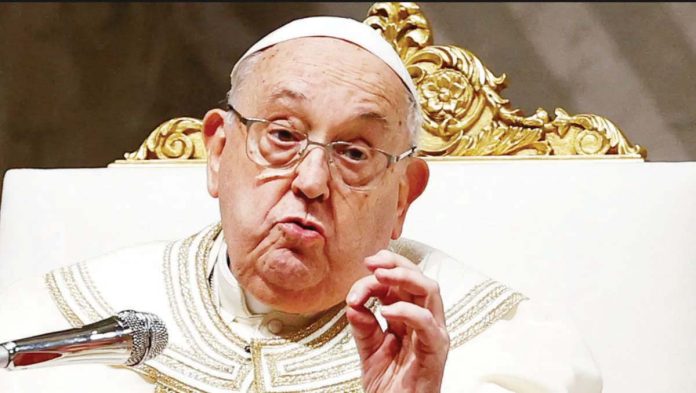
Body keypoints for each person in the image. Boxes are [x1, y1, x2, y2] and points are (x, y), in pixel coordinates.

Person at [0, 16, 601, 392]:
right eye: (283, 135)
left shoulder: (497, 347)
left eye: (357, 152)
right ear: (217, 150)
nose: (312, 180)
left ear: (403, 196)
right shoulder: (65, 318)